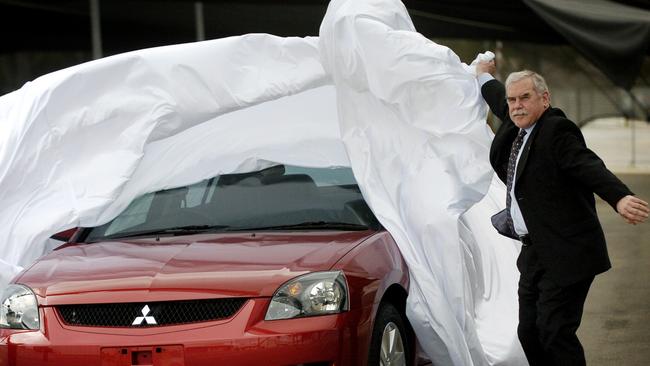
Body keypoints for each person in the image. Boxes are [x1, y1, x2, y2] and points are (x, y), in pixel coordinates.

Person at [475, 59, 649, 366]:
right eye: (512, 100)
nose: (516, 106)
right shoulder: (516, 122)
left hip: (567, 250)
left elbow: (588, 166)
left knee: (555, 332)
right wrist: (483, 77)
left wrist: (619, 197)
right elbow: (499, 99)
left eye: (525, 98)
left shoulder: (557, 131)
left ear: (545, 98)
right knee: (529, 333)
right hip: (534, 251)